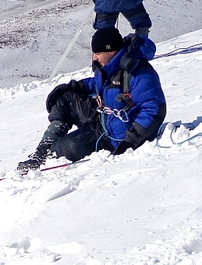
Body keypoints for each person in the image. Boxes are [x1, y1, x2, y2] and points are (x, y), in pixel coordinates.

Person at [17, 27, 166, 171]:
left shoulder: (138, 74)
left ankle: (50, 157)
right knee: (65, 100)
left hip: (116, 138)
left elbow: (153, 110)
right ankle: (41, 153)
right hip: (104, 120)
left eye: (98, 53)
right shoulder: (109, 66)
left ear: (111, 50)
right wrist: (74, 87)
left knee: (66, 147)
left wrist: (130, 142)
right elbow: (98, 84)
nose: (94, 57)